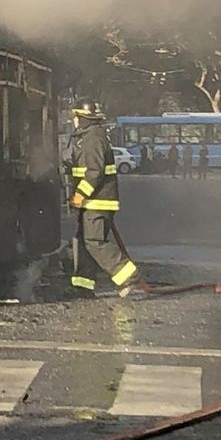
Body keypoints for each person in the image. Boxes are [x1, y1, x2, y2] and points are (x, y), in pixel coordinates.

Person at [68, 98, 143, 298]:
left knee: (94, 241)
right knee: (84, 241)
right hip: (92, 201)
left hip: (97, 200)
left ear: (81, 117)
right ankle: (83, 286)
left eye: (75, 116)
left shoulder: (93, 138)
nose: (73, 120)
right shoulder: (90, 137)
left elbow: (94, 172)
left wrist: (79, 193)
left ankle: (128, 278)